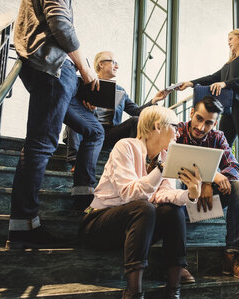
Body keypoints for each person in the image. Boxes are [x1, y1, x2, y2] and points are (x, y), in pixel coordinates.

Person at [79, 105, 201, 299]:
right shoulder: (125, 146)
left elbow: (164, 194)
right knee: (144, 207)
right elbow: (128, 195)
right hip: (99, 222)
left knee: (173, 209)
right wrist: (161, 169)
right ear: (157, 126)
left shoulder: (164, 157)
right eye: (175, 127)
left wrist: (190, 194)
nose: (178, 132)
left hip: (136, 227)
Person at [7, 0, 99, 248]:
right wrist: (85, 68)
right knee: (40, 144)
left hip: (51, 68)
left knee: (91, 131)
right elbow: (59, 23)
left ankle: (78, 195)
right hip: (55, 68)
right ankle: (24, 226)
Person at [64, 51, 168, 209]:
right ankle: (75, 161)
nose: (117, 66)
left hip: (107, 135)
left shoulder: (121, 91)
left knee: (135, 121)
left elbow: (136, 111)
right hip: (85, 131)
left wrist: (154, 100)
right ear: (101, 64)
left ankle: (136, 160)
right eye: (113, 62)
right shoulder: (84, 83)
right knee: (75, 120)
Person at [176, 96, 239, 281]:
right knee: (173, 184)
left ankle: (231, 256)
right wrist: (208, 177)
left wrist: (209, 183)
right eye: (199, 119)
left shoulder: (218, 136)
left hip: (206, 202)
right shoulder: (177, 131)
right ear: (192, 113)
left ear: (216, 123)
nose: (201, 127)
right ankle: (176, 263)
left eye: (209, 123)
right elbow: (165, 162)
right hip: (178, 199)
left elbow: (235, 167)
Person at [178, 28, 239, 184]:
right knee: (220, 148)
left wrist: (226, 83)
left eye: (231, 38)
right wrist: (191, 83)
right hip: (229, 109)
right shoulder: (228, 65)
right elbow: (212, 78)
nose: (228, 42)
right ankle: (214, 180)